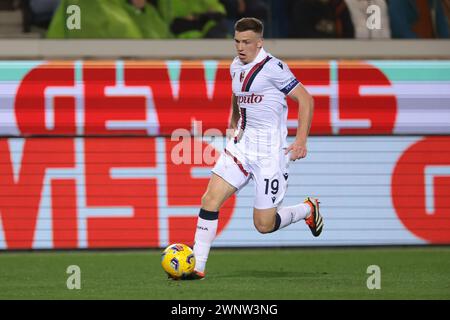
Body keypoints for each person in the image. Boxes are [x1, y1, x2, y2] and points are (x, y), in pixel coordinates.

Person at [185, 17, 324, 280]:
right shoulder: (235, 66)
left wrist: (301, 140)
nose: (240, 47)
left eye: (246, 42)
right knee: (209, 200)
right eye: (237, 41)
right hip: (241, 147)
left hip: (270, 154)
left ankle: (307, 208)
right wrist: (233, 122)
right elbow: (238, 95)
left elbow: (306, 99)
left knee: (263, 224)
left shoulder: (274, 68)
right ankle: (197, 266)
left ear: (259, 43)